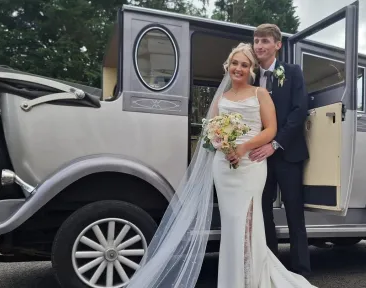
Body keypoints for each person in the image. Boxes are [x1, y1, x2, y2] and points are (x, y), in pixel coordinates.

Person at [125, 43, 317, 288]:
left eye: (245, 65)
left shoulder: (260, 94)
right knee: (231, 223)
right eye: (235, 63)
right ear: (228, 66)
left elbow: (271, 129)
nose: (239, 68)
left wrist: (243, 148)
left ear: (251, 70)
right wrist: (222, 145)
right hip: (224, 167)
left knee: (247, 219)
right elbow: (211, 132)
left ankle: (251, 276)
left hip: (251, 164)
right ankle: (232, 279)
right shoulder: (222, 98)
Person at [249, 23, 311, 277]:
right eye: (256, 41)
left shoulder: (293, 72)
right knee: (263, 212)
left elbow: (299, 112)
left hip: (288, 154)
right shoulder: (250, 75)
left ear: (277, 45)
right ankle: (270, 269)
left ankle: (300, 269)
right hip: (258, 157)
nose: (259, 46)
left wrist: (275, 144)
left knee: (294, 212)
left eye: (265, 41)